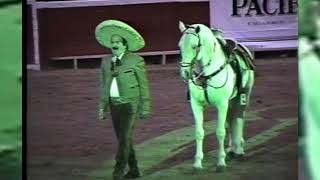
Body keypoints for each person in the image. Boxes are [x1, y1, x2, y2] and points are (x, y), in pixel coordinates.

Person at [95, 20, 151, 180]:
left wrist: (145, 107)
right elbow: (104, 85)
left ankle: (117, 173)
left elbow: (143, 85)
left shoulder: (136, 60)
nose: (114, 45)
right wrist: (102, 107)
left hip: (129, 104)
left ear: (125, 45)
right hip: (114, 105)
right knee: (123, 140)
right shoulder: (105, 61)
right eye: (112, 43)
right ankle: (134, 170)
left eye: (118, 42)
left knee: (124, 139)